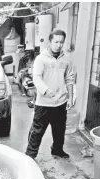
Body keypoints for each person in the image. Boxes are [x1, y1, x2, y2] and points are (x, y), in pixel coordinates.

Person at [25, 28, 76, 159]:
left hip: (61, 101)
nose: (59, 45)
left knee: (59, 130)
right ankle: (30, 155)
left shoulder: (67, 60)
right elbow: (36, 78)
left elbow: (70, 79)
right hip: (44, 103)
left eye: (61, 42)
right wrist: (46, 90)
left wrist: (70, 97)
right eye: (56, 42)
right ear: (50, 42)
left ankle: (57, 150)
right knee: (37, 131)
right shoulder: (41, 59)